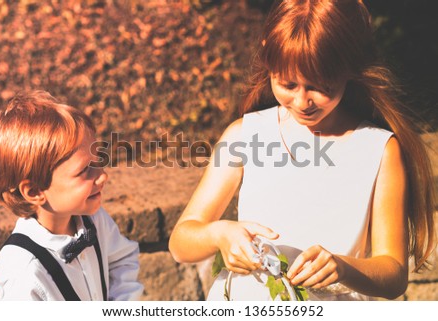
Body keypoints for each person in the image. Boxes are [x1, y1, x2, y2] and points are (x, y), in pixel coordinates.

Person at [169, 0, 436, 300]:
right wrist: (218, 234)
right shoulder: (244, 135)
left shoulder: (379, 150)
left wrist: (343, 268)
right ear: (269, 59)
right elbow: (181, 241)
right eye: (287, 84)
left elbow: (393, 274)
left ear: (350, 67)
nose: (301, 101)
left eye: (320, 87)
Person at [0, 91, 143, 300]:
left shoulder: (94, 220)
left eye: (98, 161)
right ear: (34, 191)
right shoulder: (23, 276)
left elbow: (122, 259)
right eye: (84, 170)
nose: (102, 176)